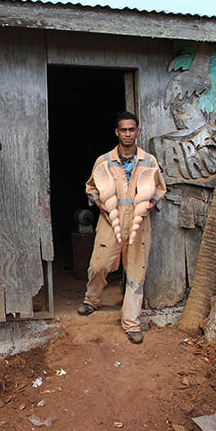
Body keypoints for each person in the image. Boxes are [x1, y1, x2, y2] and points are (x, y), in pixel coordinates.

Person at [77, 111, 167, 344]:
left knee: (136, 272)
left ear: (138, 131)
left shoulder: (149, 161)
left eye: (131, 129)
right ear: (117, 132)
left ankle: (131, 323)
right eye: (123, 129)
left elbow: (160, 189)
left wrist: (151, 205)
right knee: (99, 264)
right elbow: (91, 188)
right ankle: (92, 299)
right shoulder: (104, 161)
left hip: (139, 223)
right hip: (110, 220)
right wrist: (100, 205)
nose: (127, 133)